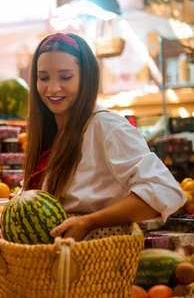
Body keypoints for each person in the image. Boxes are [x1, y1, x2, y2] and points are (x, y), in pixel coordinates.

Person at [16, 32, 186, 241]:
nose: (52, 88)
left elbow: (165, 190)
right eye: (43, 78)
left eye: (65, 77)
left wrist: (90, 222)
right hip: (56, 263)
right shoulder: (49, 131)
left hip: (99, 263)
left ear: (86, 78)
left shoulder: (107, 126)